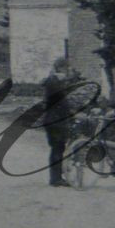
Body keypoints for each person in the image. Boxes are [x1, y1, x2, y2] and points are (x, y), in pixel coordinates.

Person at [39, 58, 83, 187]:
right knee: (58, 148)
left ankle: (55, 177)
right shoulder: (54, 82)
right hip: (55, 120)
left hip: (51, 119)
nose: (67, 71)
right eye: (66, 68)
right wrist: (73, 113)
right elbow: (62, 103)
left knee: (56, 149)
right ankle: (56, 179)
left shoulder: (52, 81)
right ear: (61, 68)